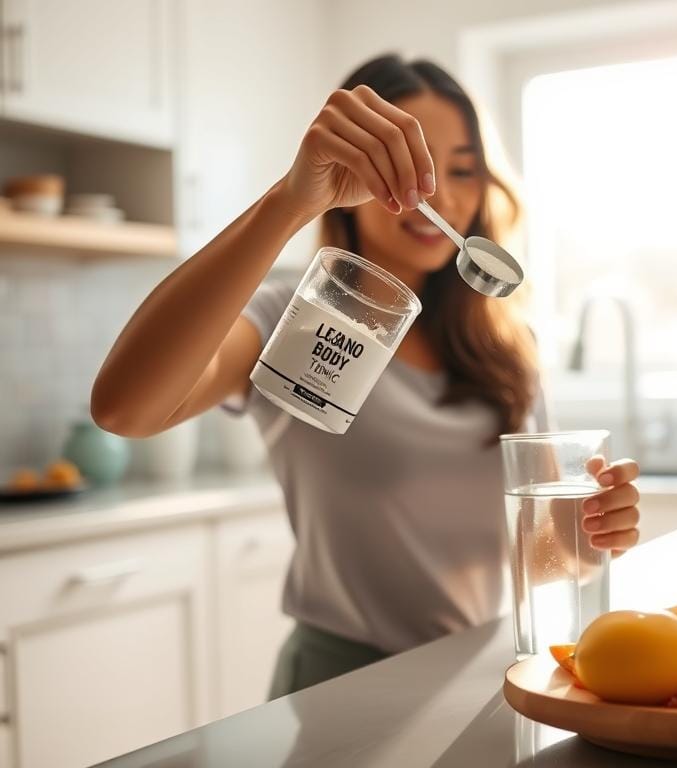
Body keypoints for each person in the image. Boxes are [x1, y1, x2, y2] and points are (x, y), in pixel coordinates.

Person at [91, 54, 642, 698]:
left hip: (479, 684)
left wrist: (597, 526)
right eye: (409, 164)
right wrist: (288, 201)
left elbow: (555, 554)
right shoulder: (296, 318)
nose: (439, 195)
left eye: (461, 170)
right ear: (353, 173)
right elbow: (125, 409)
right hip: (338, 689)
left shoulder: (507, 352)